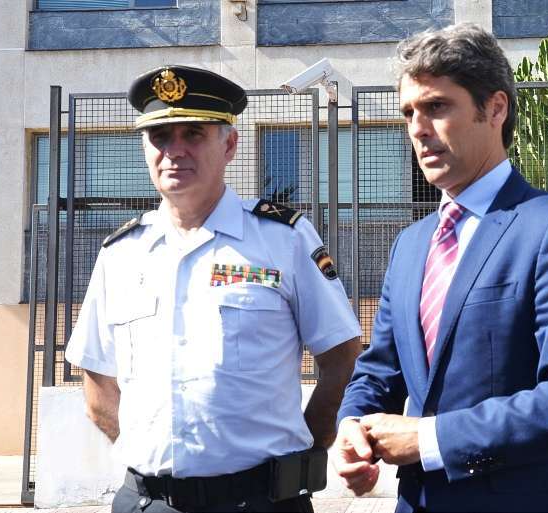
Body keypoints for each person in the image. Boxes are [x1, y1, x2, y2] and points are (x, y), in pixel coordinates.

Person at [332, 23, 548, 513]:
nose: (418, 128)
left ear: (495, 108)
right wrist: (353, 426)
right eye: (409, 112)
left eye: (437, 106)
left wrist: (428, 439)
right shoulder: (410, 244)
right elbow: (380, 369)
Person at [65, 65, 362, 513]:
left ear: (230, 145)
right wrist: (148, 454)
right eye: (160, 137)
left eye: (193, 134)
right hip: (147, 504)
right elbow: (98, 382)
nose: (175, 151)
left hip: (259, 501)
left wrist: (303, 451)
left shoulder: (283, 239)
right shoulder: (120, 253)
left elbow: (342, 357)